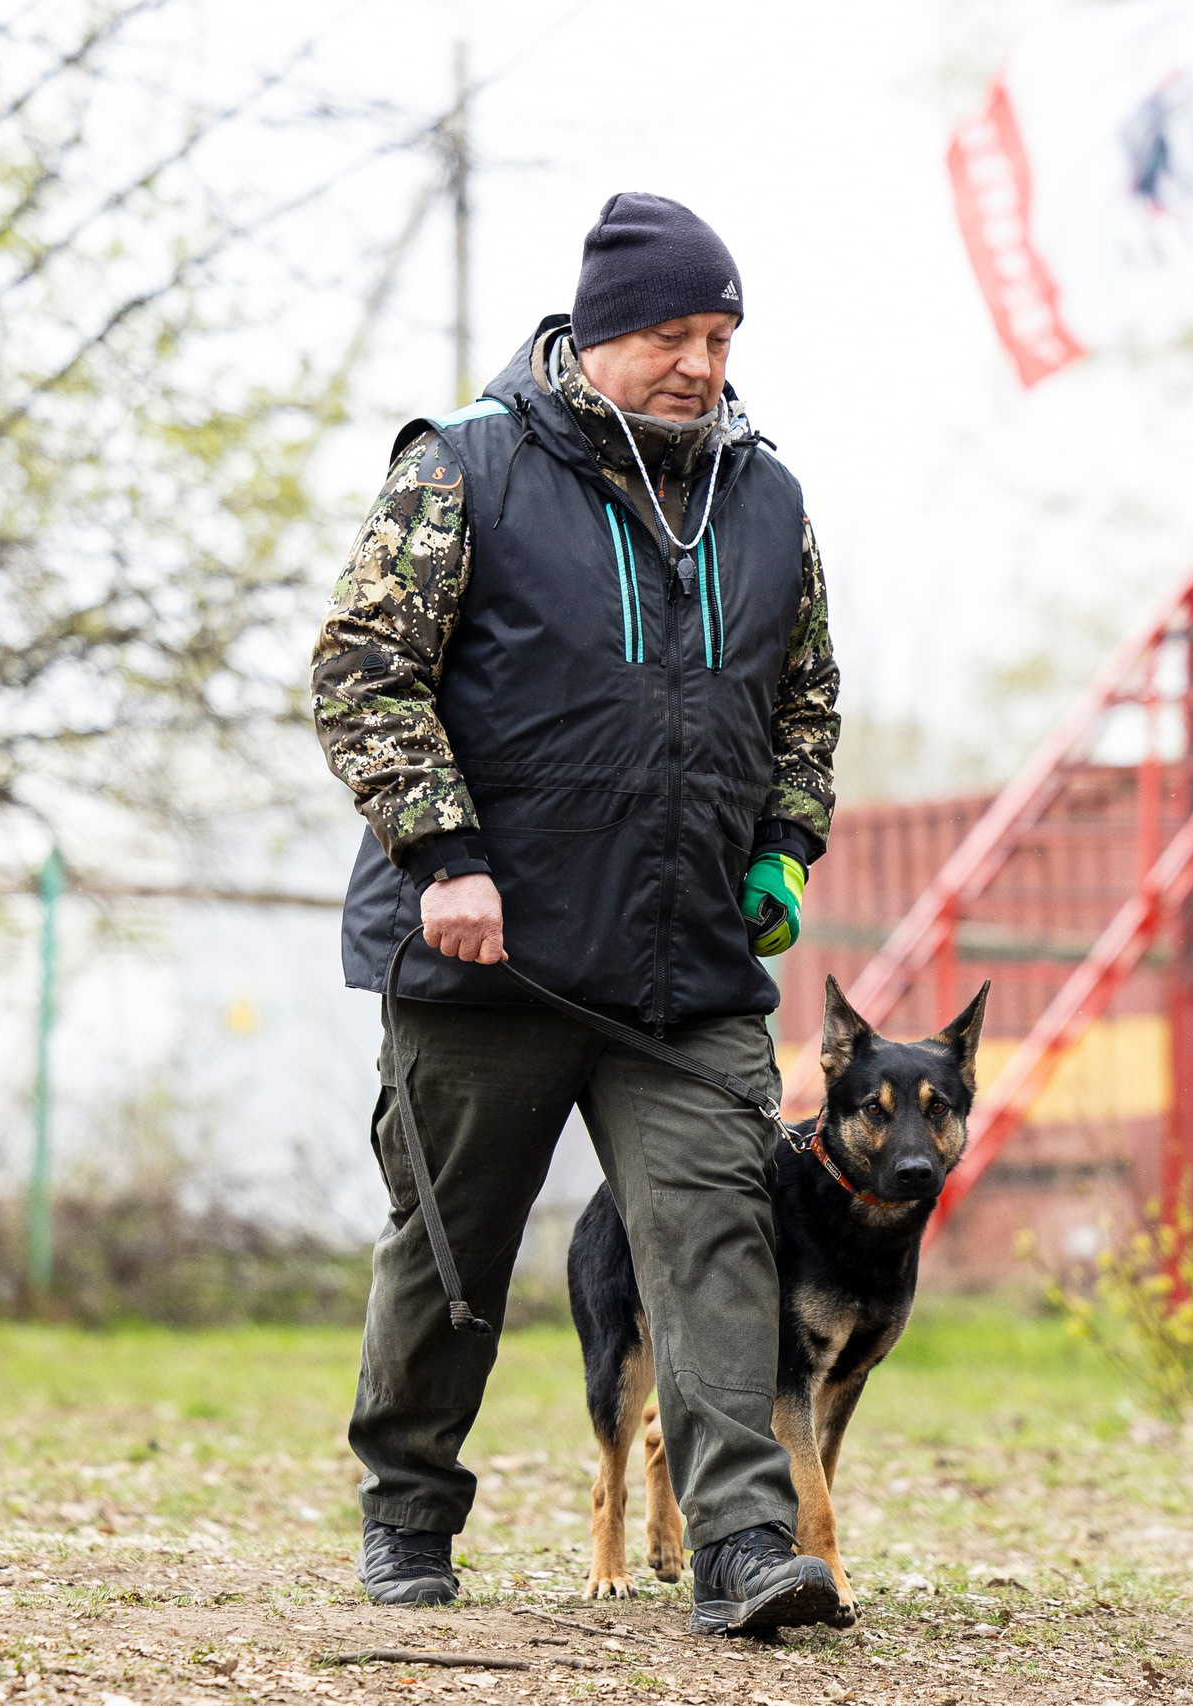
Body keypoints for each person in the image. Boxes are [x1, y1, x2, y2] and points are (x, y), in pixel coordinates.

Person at [309, 192, 842, 1636]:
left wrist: (784, 849)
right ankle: (410, 1503)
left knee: (720, 1233)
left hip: (685, 968)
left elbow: (807, 700)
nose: (701, 363)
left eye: (721, 334)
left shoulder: (767, 499)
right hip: (491, 957)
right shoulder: (466, 469)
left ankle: (741, 1540)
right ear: (598, 333)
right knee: (449, 1245)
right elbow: (363, 670)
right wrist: (443, 853)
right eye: (671, 331)